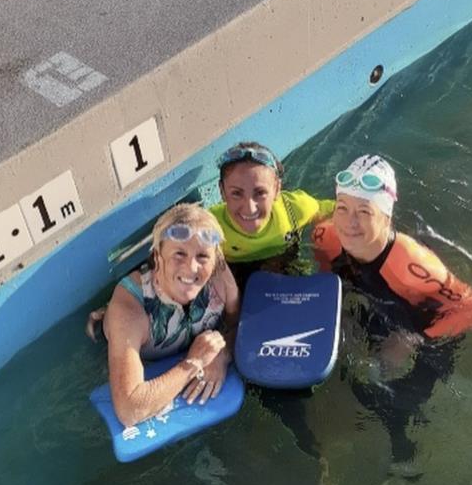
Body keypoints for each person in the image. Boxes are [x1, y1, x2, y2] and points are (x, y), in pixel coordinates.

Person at [313, 154, 472, 467]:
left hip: (425, 321)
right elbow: (328, 281)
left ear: (386, 217)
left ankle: (404, 451)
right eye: (343, 208)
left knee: (401, 401)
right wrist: (341, 314)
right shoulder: (325, 237)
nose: (349, 223)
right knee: (358, 384)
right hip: (373, 300)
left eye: (364, 212)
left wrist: (412, 338)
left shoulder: (412, 264)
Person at [101, 203, 239, 426]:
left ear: (215, 261)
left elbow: (239, 325)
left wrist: (222, 355)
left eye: (203, 256)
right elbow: (129, 410)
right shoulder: (131, 307)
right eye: (179, 254)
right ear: (158, 257)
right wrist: (194, 363)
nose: (191, 267)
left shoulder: (220, 278)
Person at [210, 141, 335, 290]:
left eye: (260, 193)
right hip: (235, 275)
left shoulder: (294, 210)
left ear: (276, 189)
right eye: (236, 193)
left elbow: (335, 210)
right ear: (222, 192)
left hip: (286, 264)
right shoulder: (210, 226)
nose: (250, 208)